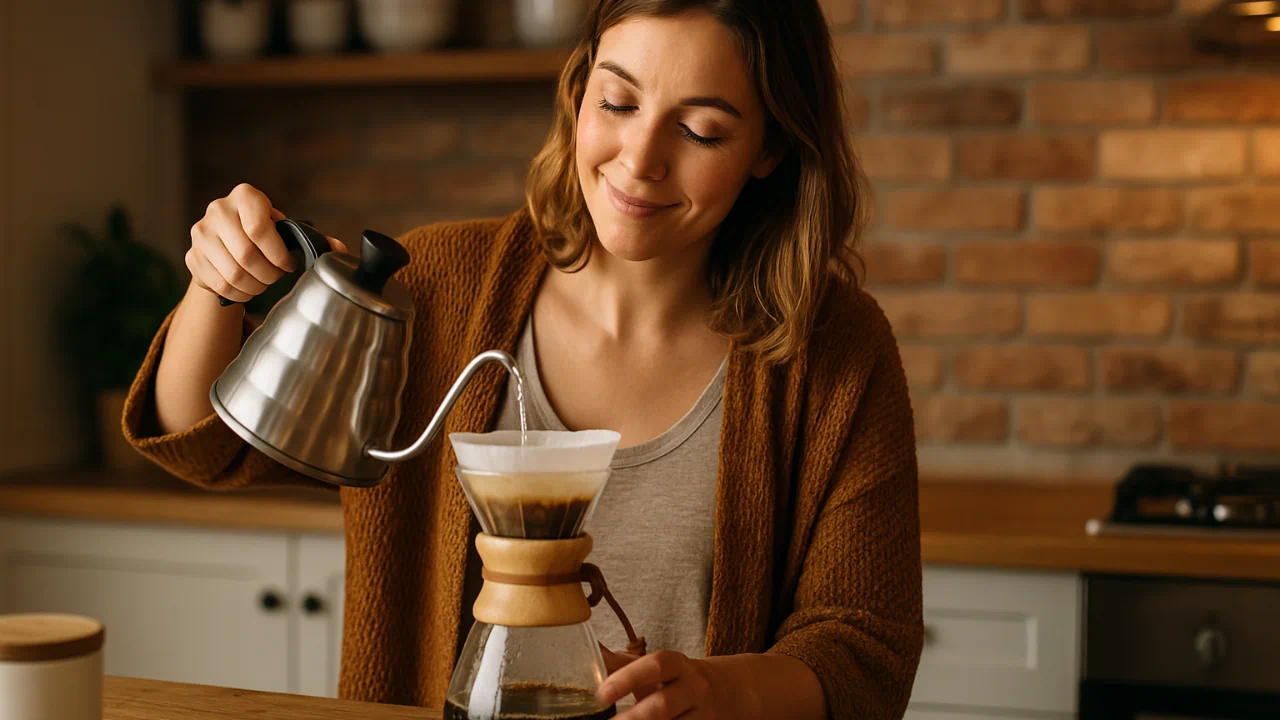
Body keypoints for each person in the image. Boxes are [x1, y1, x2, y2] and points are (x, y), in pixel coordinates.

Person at [121, 0, 923, 718]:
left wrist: (727, 691)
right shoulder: (439, 290)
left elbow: (865, 646)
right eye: (617, 102)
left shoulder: (836, 350)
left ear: (769, 146)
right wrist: (215, 286)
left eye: (701, 130)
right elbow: (207, 444)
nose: (640, 158)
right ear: (577, 94)